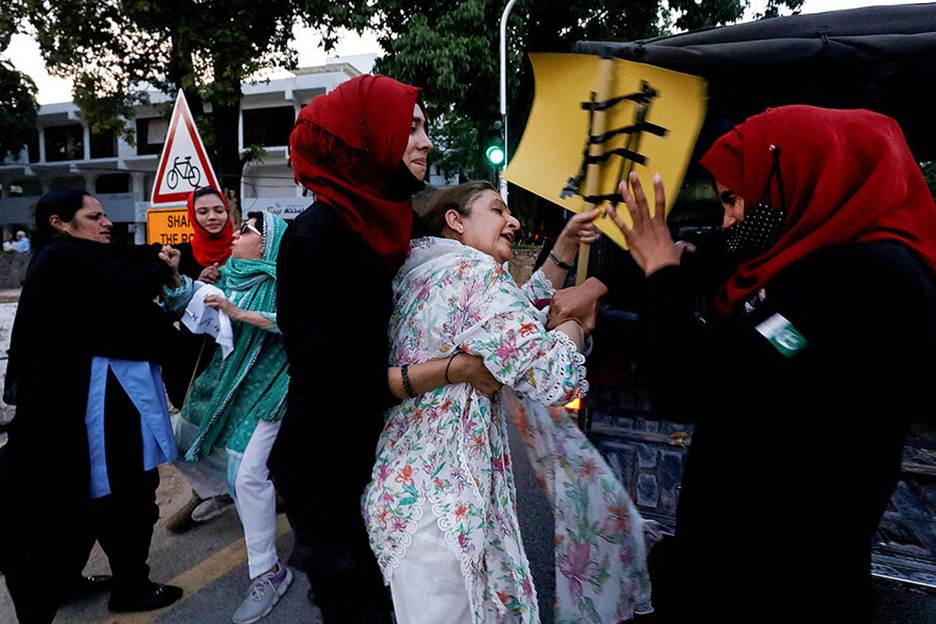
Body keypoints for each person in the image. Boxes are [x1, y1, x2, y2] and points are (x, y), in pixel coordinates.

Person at [602, 105, 936, 623]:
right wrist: (608, 280)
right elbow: (715, 253)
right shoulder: (812, 248)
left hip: (778, 574)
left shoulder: (868, 279)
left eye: (735, 199)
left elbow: (687, 382)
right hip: (750, 554)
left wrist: (662, 272)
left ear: (799, 177)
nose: (729, 218)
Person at [362, 181, 650, 624]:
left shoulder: (421, 272)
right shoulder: (472, 275)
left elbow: (511, 317)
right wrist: (574, 324)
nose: (513, 220)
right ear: (455, 221)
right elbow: (554, 376)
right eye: (498, 210)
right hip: (443, 513)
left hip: (406, 497)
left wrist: (565, 247)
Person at [269, 75, 500, 623]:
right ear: (364, 140)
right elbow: (337, 383)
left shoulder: (387, 223)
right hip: (328, 468)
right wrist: (456, 368)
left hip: (378, 451)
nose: (425, 142)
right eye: (410, 128)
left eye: (424, 128)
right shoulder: (318, 239)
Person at [0, 190, 182, 623]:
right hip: (97, 408)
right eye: (94, 215)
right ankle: (131, 586)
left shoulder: (76, 262)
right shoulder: (66, 260)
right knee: (125, 493)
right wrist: (162, 268)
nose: (106, 223)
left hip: (89, 406)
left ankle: (72, 579)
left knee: (90, 497)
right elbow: (124, 294)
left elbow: (124, 285)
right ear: (61, 223)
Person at [160, 210, 292, 624]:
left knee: (249, 476)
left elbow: (299, 324)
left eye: (247, 230)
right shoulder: (230, 273)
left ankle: (268, 572)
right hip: (221, 386)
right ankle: (216, 489)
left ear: (267, 244)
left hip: (267, 389)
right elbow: (192, 305)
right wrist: (177, 276)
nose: (235, 233)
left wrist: (240, 314)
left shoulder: (286, 282)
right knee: (171, 440)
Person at [163, 186, 238, 532]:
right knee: (189, 423)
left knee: (238, 421)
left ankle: (251, 483)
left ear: (229, 211)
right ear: (193, 216)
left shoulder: (245, 247)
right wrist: (193, 282)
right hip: (194, 354)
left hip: (239, 348)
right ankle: (209, 489)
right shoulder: (181, 255)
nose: (212, 218)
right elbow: (171, 304)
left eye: (218, 210)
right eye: (203, 211)